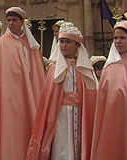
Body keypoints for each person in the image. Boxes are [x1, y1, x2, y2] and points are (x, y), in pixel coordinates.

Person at [27, 22, 98, 160]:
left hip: (80, 112)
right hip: (60, 114)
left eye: (68, 42)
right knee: (61, 146)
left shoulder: (84, 68)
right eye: (61, 42)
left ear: (77, 45)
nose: (64, 45)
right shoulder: (54, 68)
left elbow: (91, 92)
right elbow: (48, 96)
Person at [0, 6, 46, 159]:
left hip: (29, 92)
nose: (11, 23)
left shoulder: (31, 45)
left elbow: (37, 71)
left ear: (22, 22)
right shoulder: (0, 44)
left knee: (29, 126)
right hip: (9, 95)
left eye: (14, 20)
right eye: (9, 20)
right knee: (11, 128)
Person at [91, 20, 127, 160]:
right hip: (122, 119)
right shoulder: (111, 67)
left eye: (122, 38)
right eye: (115, 38)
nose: (118, 41)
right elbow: (111, 96)